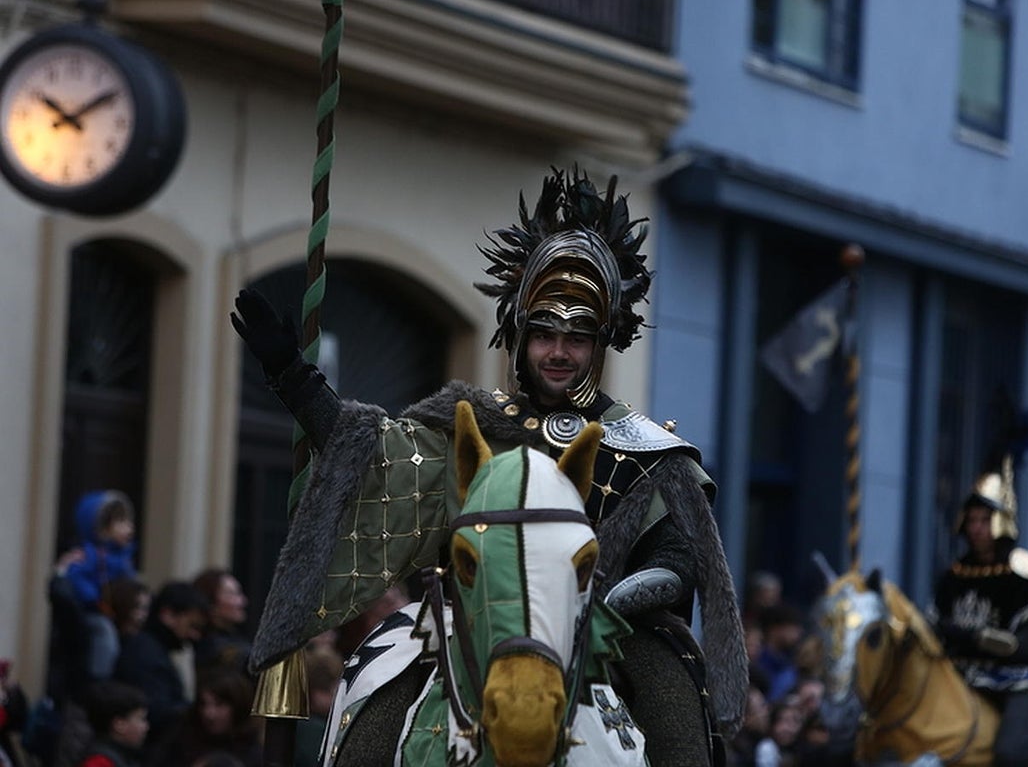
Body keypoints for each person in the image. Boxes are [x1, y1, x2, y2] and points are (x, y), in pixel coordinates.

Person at [231, 166, 746, 765]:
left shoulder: (645, 450)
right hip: (472, 617)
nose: (559, 351)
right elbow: (376, 458)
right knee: (379, 694)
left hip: (610, 630)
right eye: (544, 332)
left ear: (600, 344)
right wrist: (293, 377)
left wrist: (600, 599)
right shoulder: (471, 425)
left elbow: (676, 561)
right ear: (519, 335)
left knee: (676, 710)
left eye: (578, 336)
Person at [932, 417, 1028, 767]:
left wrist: (970, 636)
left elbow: (1027, 646)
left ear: (1001, 521)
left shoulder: (1025, 571)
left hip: (1017, 680)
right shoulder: (955, 573)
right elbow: (935, 623)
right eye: (972, 520)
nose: (976, 528)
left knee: (1009, 753)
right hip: (959, 672)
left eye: (984, 520)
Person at [114, 581, 209, 756]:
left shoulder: (152, 650)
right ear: (168, 615)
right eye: (192, 626)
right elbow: (158, 712)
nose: (195, 635)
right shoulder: (145, 653)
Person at [64, 491, 139, 680]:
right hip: (95, 611)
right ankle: (100, 677)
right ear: (102, 528)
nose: (128, 529)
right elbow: (77, 576)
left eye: (128, 522)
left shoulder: (124, 557)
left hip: (117, 610)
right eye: (120, 523)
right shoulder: (90, 555)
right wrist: (93, 598)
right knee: (104, 633)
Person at [147, 669, 261, 767]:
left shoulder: (251, 750)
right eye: (203, 704)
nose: (209, 714)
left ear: (237, 707)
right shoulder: (180, 739)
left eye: (219, 705)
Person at [191, 569, 251, 676]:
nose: (242, 602)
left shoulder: (234, 638)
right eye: (232, 594)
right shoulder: (210, 646)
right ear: (211, 602)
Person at [77, 680, 150, 767]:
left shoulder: (125, 756)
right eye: (141, 719)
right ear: (119, 725)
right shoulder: (100, 761)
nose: (146, 727)